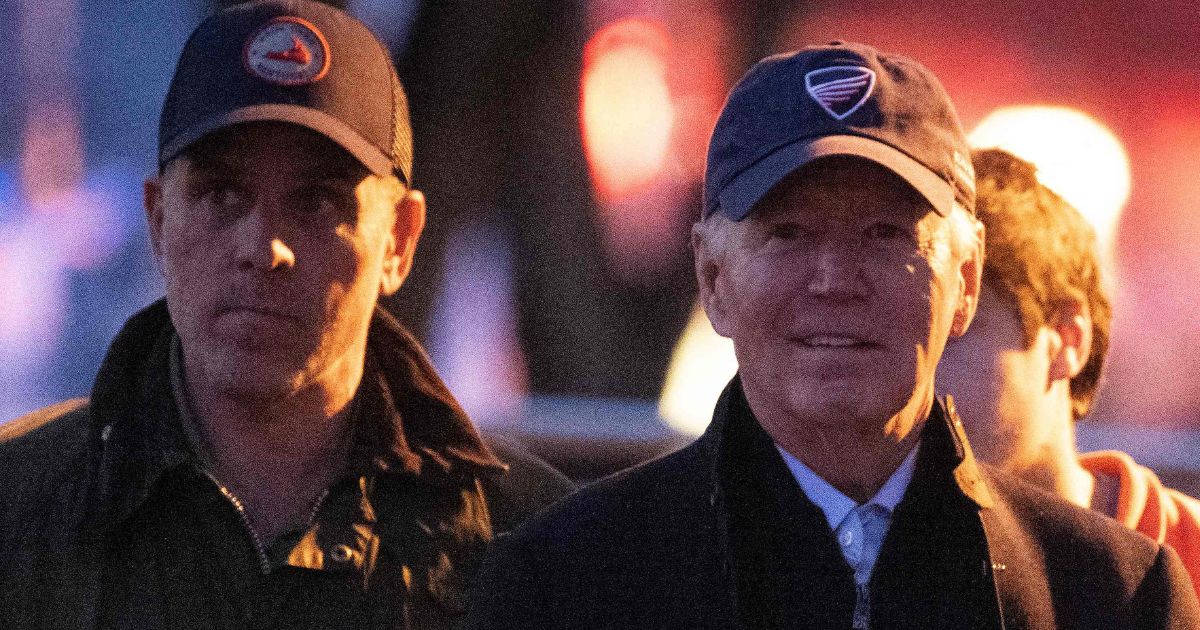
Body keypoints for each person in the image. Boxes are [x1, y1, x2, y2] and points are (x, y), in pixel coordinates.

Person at [464, 42, 1199, 629]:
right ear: (713, 278)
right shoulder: (564, 584)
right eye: (788, 233)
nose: (835, 277)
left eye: (886, 233)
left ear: (966, 279)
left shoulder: (1117, 595)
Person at [0, 1, 572, 627]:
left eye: (318, 200)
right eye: (221, 193)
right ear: (159, 221)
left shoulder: (530, 547)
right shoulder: (22, 511)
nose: (264, 246)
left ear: (399, 241)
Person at [937, 147, 1200, 594]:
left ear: (1066, 338)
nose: (918, 372)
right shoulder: (861, 564)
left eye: (952, 333)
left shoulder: (1188, 552)